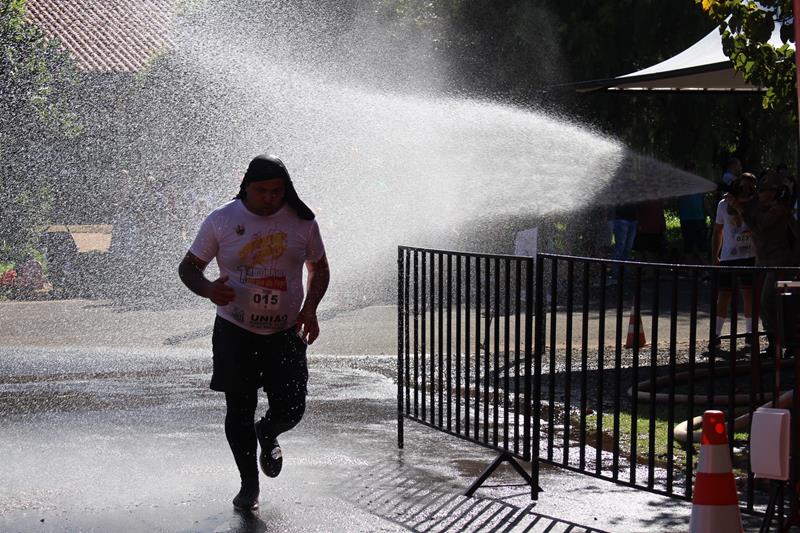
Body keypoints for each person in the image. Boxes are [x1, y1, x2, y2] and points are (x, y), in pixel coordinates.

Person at [178, 155, 330, 512]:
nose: (269, 198)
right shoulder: (221, 220)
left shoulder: (302, 222)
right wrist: (209, 289)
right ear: (246, 186)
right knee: (239, 409)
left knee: (292, 408)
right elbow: (188, 268)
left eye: (277, 191)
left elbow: (319, 268)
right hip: (236, 329)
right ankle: (249, 484)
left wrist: (310, 309)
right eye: (261, 191)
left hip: (286, 330)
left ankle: (270, 431)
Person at [729, 170, 798, 358]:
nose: (758, 193)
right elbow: (735, 210)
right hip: (765, 262)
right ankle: (775, 344)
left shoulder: (779, 209)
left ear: (774, 192)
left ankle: (790, 343)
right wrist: (737, 199)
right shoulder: (761, 207)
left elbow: (760, 227)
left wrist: (740, 207)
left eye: (763, 190)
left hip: (781, 264)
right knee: (767, 304)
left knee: (774, 302)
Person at [710, 173, 757, 354]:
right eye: (744, 186)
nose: (747, 190)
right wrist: (715, 256)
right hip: (729, 256)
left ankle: (750, 334)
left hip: (750, 255)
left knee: (749, 294)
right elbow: (717, 232)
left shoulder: (755, 204)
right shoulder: (723, 205)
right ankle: (715, 335)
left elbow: (756, 226)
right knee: (724, 295)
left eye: (751, 187)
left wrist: (739, 205)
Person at [677, 161, 709, 264]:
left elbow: (704, 200)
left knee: (702, 246)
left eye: (692, 168)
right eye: (688, 169)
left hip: (699, 218)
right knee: (688, 246)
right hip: (686, 219)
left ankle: (704, 270)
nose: (691, 171)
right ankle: (690, 271)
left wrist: (711, 215)